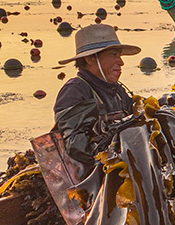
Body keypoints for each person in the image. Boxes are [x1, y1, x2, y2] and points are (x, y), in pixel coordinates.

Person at [53, 24, 140, 170]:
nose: (121, 62)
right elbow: (75, 146)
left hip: (119, 166)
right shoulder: (75, 90)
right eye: (114, 55)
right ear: (90, 59)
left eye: (119, 55)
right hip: (90, 177)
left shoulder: (118, 90)